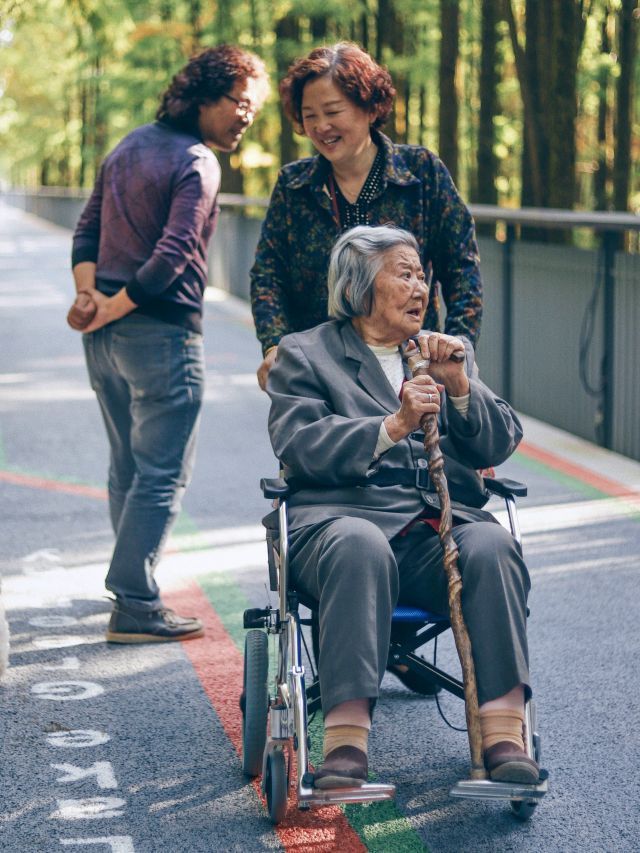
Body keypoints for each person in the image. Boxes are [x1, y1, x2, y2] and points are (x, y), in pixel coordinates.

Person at [266, 225, 538, 789]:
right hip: (340, 529)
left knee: (491, 544)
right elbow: (299, 444)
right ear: (361, 286)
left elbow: (499, 442)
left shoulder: (439, 352)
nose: (421, 287)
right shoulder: (305, 353)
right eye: (405, 274)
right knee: (360, 544)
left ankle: (505, 734)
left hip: (433, 535)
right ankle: (344, 745)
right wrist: (392, 427)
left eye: (422, 275)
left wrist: (460, 385)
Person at [71, 45, 268, 643]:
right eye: (239, 103)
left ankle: (132, 588)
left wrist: (89, 299)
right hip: (159, 333)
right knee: (162, 474)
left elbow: (87, 230)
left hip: (103, 337)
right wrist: (116, 302)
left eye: (253, 111)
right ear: (206, 96)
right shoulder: (197, 161)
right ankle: (134, 600)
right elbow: (176, 252)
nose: (245, 117)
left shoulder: (128, 146)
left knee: (127, 467)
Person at [252, 42, 482, 391]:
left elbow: (462, 269)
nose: (320, 126)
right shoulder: (293, 186)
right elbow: (268, 275)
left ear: (370, 108)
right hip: (319, 371)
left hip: (410, 370)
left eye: (332, 111)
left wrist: (457, 347)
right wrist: (274, 345)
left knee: (411, 445)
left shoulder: (422, 173)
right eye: (309, 114)